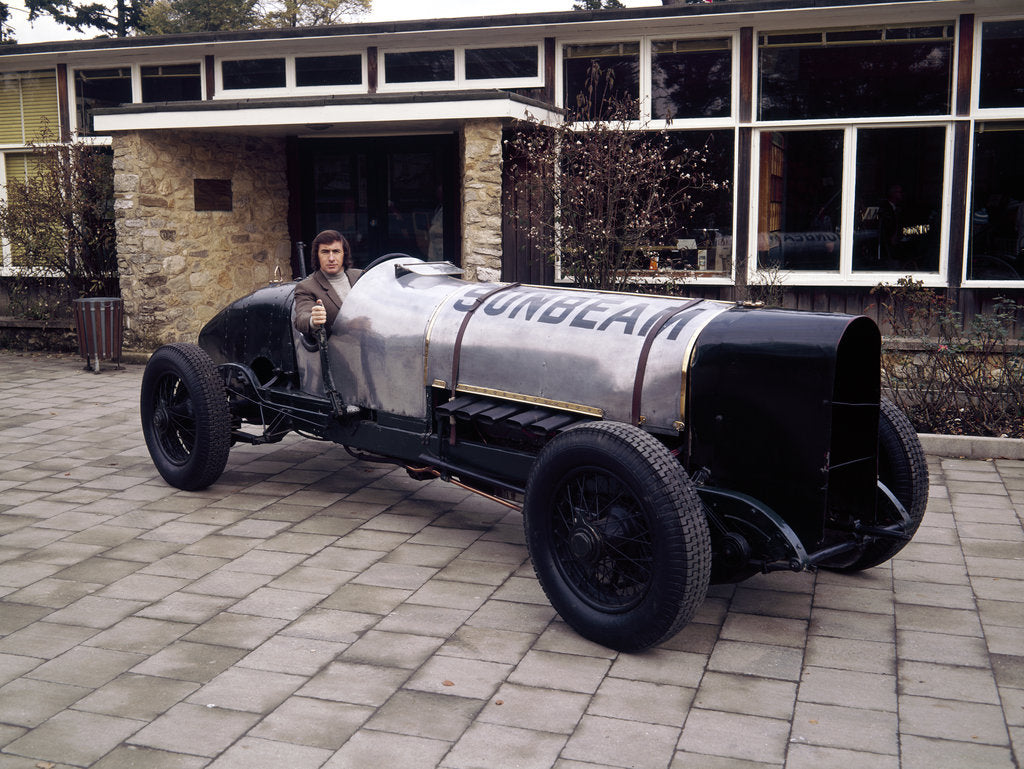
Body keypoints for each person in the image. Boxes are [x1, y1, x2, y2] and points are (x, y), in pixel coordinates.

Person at [293, 230, 362, 339]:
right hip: (337, 351)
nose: (331, 258)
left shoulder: (361, 276)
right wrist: (313, 319)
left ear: (344, 253)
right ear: (317, 255)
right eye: (325, 252)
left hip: (373, 348)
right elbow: (301, 319)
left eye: (336, 251)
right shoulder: (306, 287)